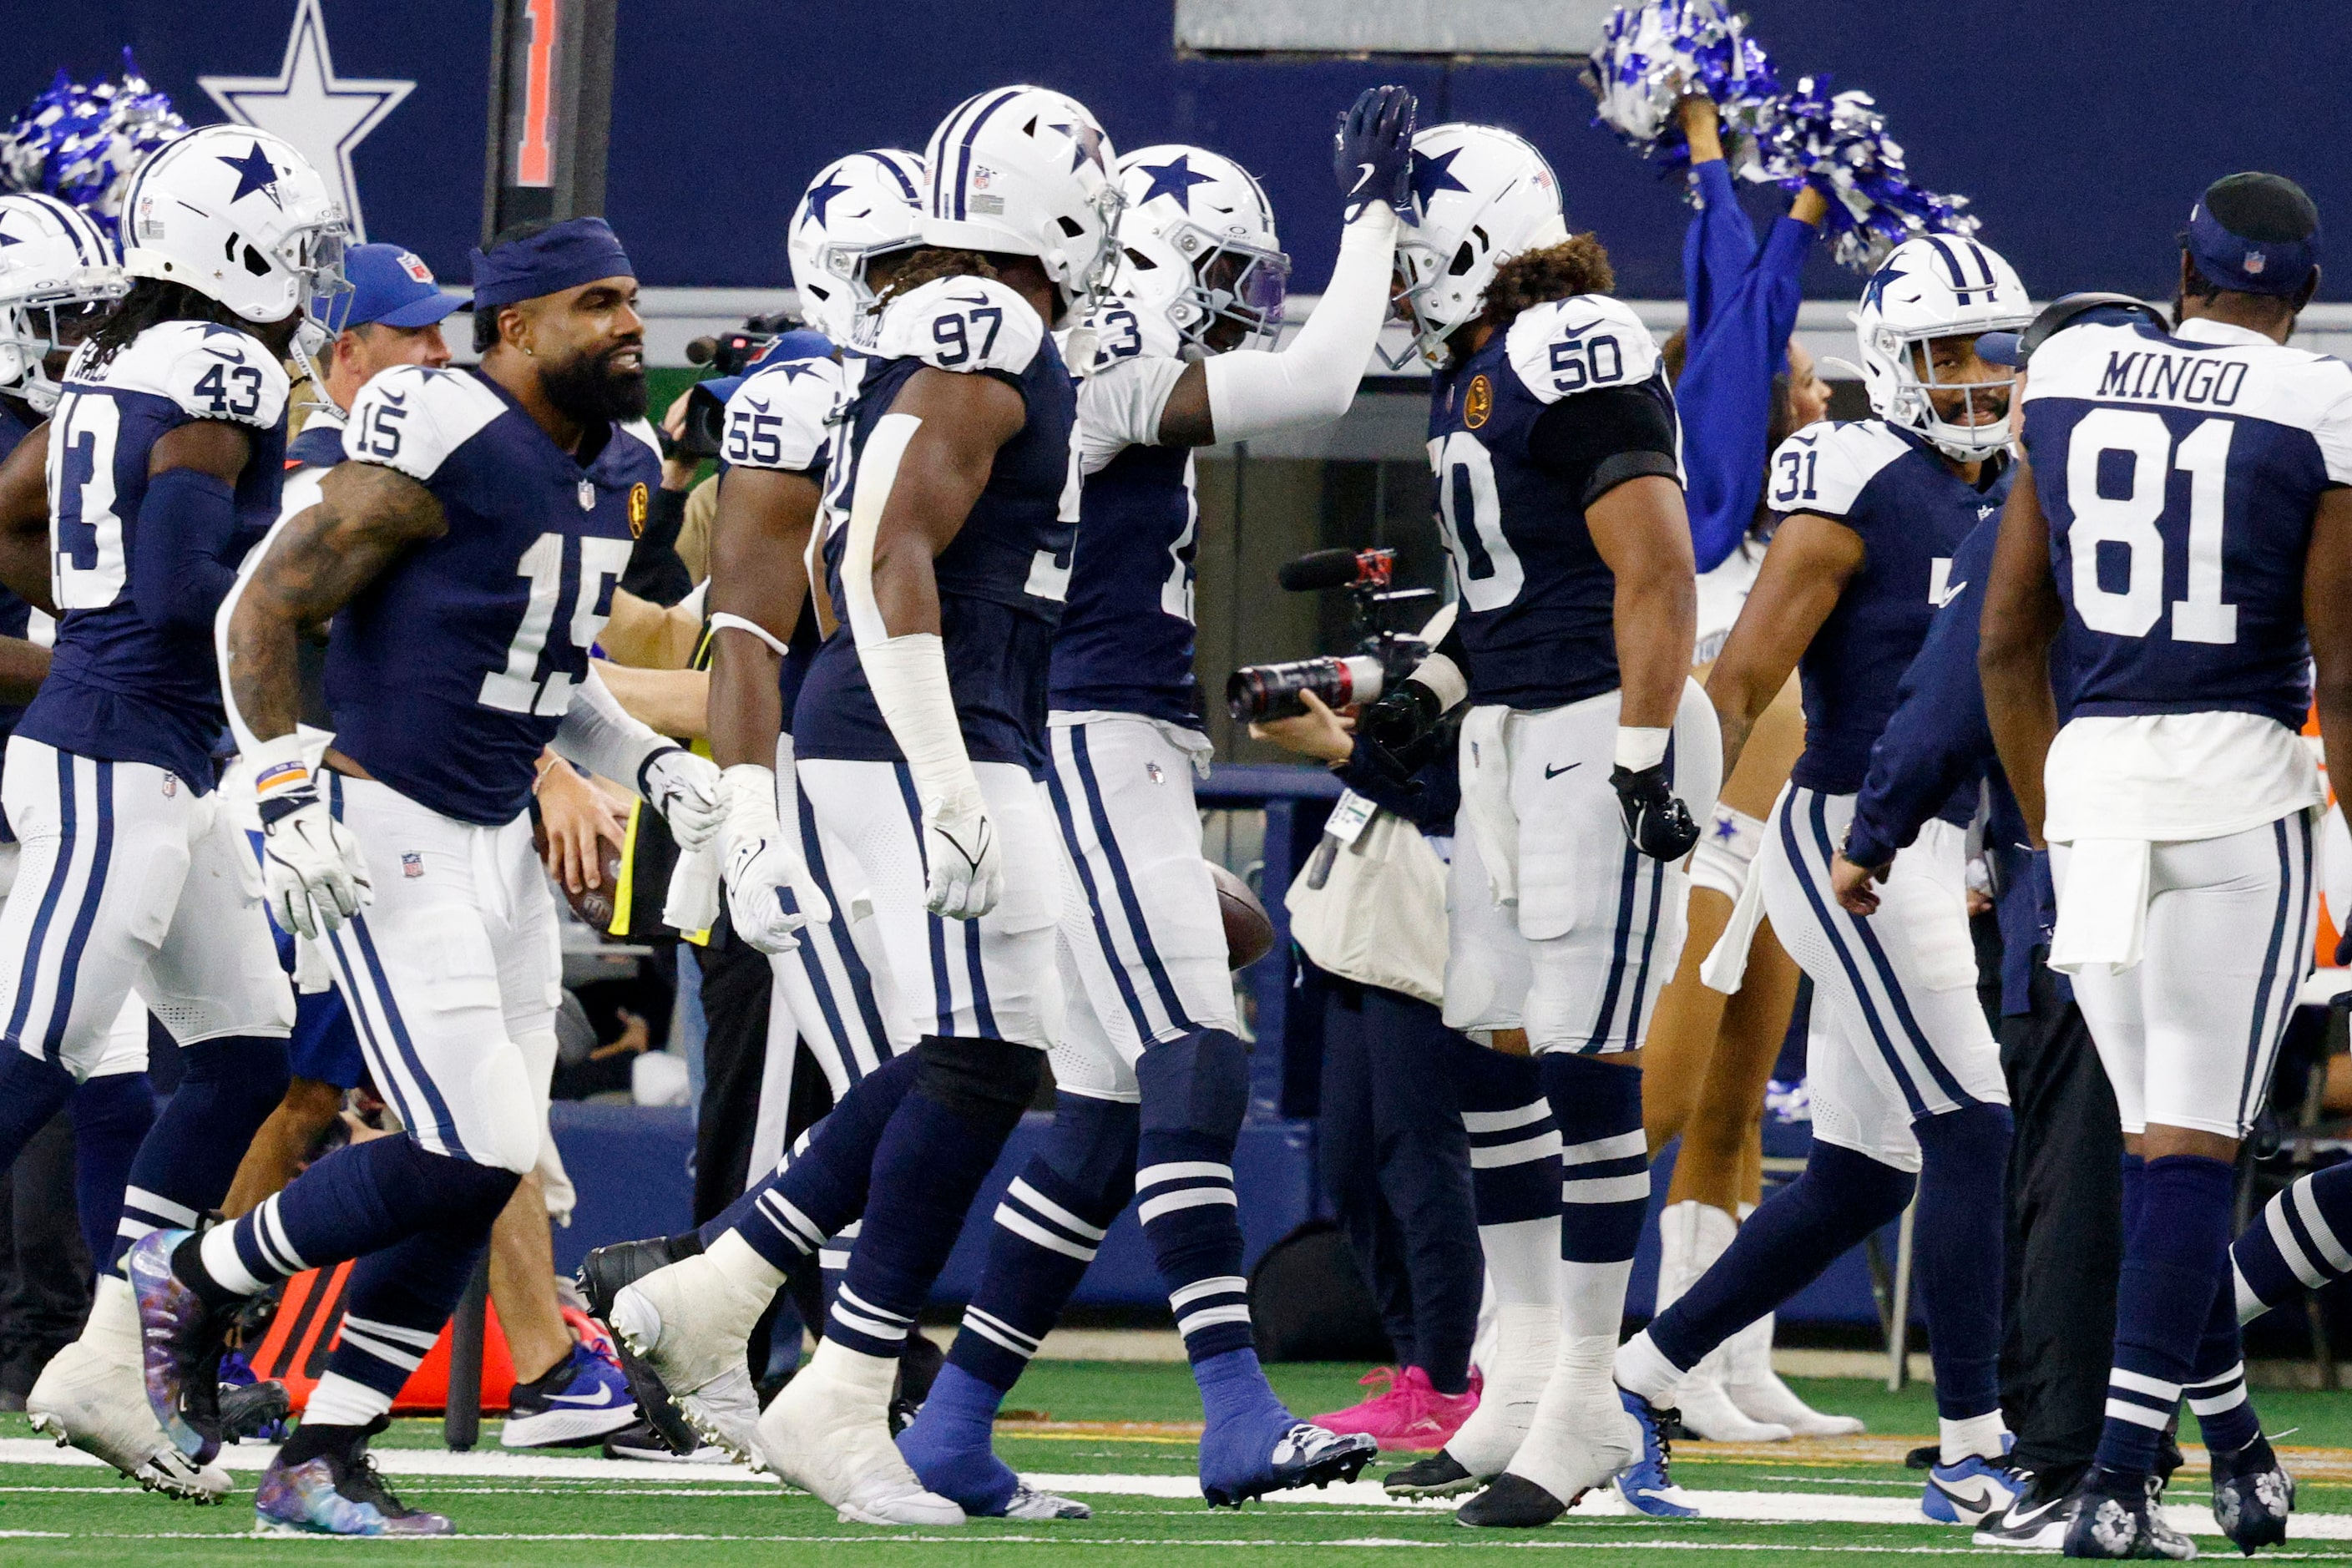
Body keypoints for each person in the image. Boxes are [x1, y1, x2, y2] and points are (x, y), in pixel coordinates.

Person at [129, 213, 723, 1537]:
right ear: (514, 326)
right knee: (480, 1142)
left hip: (491, 832)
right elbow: (262, 608)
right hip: (384, 822)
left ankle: (322, 1447)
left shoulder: (621, 463)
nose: (630, 323)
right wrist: (283, 782)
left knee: (478, 1163)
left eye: (631, 297)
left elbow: (545, 675)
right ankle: (198, 1271)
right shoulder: (439, 426)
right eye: (595, 303)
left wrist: (651, 760)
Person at [602, 86, 1120, 1528]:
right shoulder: (983, 325)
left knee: (983, 1052)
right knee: (977, 1056)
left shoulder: (967, 333)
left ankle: (726, 1284)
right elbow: (875, 556)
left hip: (929, 725)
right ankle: (830, 1377)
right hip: (916, 735)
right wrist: (938, 774)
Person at [893, 95, 1414, 1515]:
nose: (1240, 313)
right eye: (1230, 278)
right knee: (1194, 1053)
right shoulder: (1104, 346)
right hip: (1083, 734)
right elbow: (1317, 379)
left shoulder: (1086, 358)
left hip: (1106, 735)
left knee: (1107, 1117)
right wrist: (1371, 208)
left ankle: (949, 1421)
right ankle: (1235, 1410)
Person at [1616, 232, 2031, 1530]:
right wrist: (1662, 820)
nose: (1973, 379)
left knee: (1865, 1170)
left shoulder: (2023, 482)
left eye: (1990, 352)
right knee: (1972, 1124)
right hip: (1842, 843)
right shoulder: (1849, 476)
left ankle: (1641, 1374)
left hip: (1927, 848)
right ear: (1892, 365)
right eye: (1945, 355)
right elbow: (1741, 679)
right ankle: (1974, 1445)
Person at [1353, 121, 1721, 1528]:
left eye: (1407, 246)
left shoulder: (1576, 339)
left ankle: (1582, 1401)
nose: (1394, 280)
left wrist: (1642, 747)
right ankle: (1514, 1378)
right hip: (1511, 728)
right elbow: (1511, 580)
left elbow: (1656, 565)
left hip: (1594, 730)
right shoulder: (1474, 368)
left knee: (1582, 1057)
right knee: (1493, 1048)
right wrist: (1436, 680)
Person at [1980, 171, 2342, 1560]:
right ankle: (2122, 1481)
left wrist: (2048, 817)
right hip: (2235, 791)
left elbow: (2009, 637)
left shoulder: (2066, 368)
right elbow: (2346, 671)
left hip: (2091, 786)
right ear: (2298, 300)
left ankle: (2237, 1451)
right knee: (2193, 1150)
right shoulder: (2318, 402)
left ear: (2177, 269)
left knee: (2157, 1154)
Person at [0, 128, 350, 1505]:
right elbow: (188, 585)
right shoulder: (219, 364)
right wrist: (322, 590)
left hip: (155, 751)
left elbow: (25, 520)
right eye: (294, 245)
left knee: (245, 1049)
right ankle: (101, 1346)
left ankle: (106, 1347)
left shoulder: (118, 364)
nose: (307, 277)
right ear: (231, 247)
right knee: (31, 1056)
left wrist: (98, 611)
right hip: (112, 758)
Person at [1631, 93, 1855, 1444]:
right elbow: (1737, 302)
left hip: (1779, 823)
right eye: (1798, 381)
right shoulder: (1707, 526)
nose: (1819, 393)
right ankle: (1526, 1337)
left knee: (1736, 1100)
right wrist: (1736, 169)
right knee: (1661, 1088)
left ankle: (1722, 1355)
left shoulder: (1801, 525)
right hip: (1707, 824)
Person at [0, 192, 158, 1287]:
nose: (76, 340)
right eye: (53, 317)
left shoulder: (67, 433)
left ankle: (114, 1337)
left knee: (111, 1058)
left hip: (59, 780)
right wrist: (108, 668)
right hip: (31, 786)